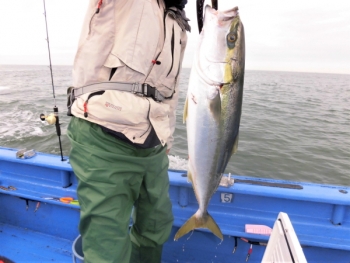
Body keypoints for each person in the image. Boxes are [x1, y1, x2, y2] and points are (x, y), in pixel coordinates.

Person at [66, 0, 190, 262]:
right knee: (108, 242)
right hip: (103, 131)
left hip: (153, 142)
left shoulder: (179, 25)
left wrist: (167, 136)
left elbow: (172, 89)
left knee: (156, 226)